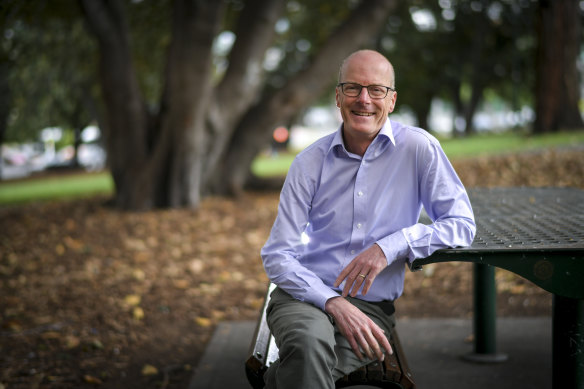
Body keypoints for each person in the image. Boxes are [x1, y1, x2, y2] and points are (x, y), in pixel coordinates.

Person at [260, 49, 476, 389]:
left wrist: (390, 246)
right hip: (304, 295)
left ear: (391, 100)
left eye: (376, 90)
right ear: (337, 96)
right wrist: (331, 301)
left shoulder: (419, 149)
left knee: (300, 370)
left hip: (372, 308)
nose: (364, 99)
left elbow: (461, 224)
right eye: (352, 88)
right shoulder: (308, 163)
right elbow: (277, 255)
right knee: (308, 344)